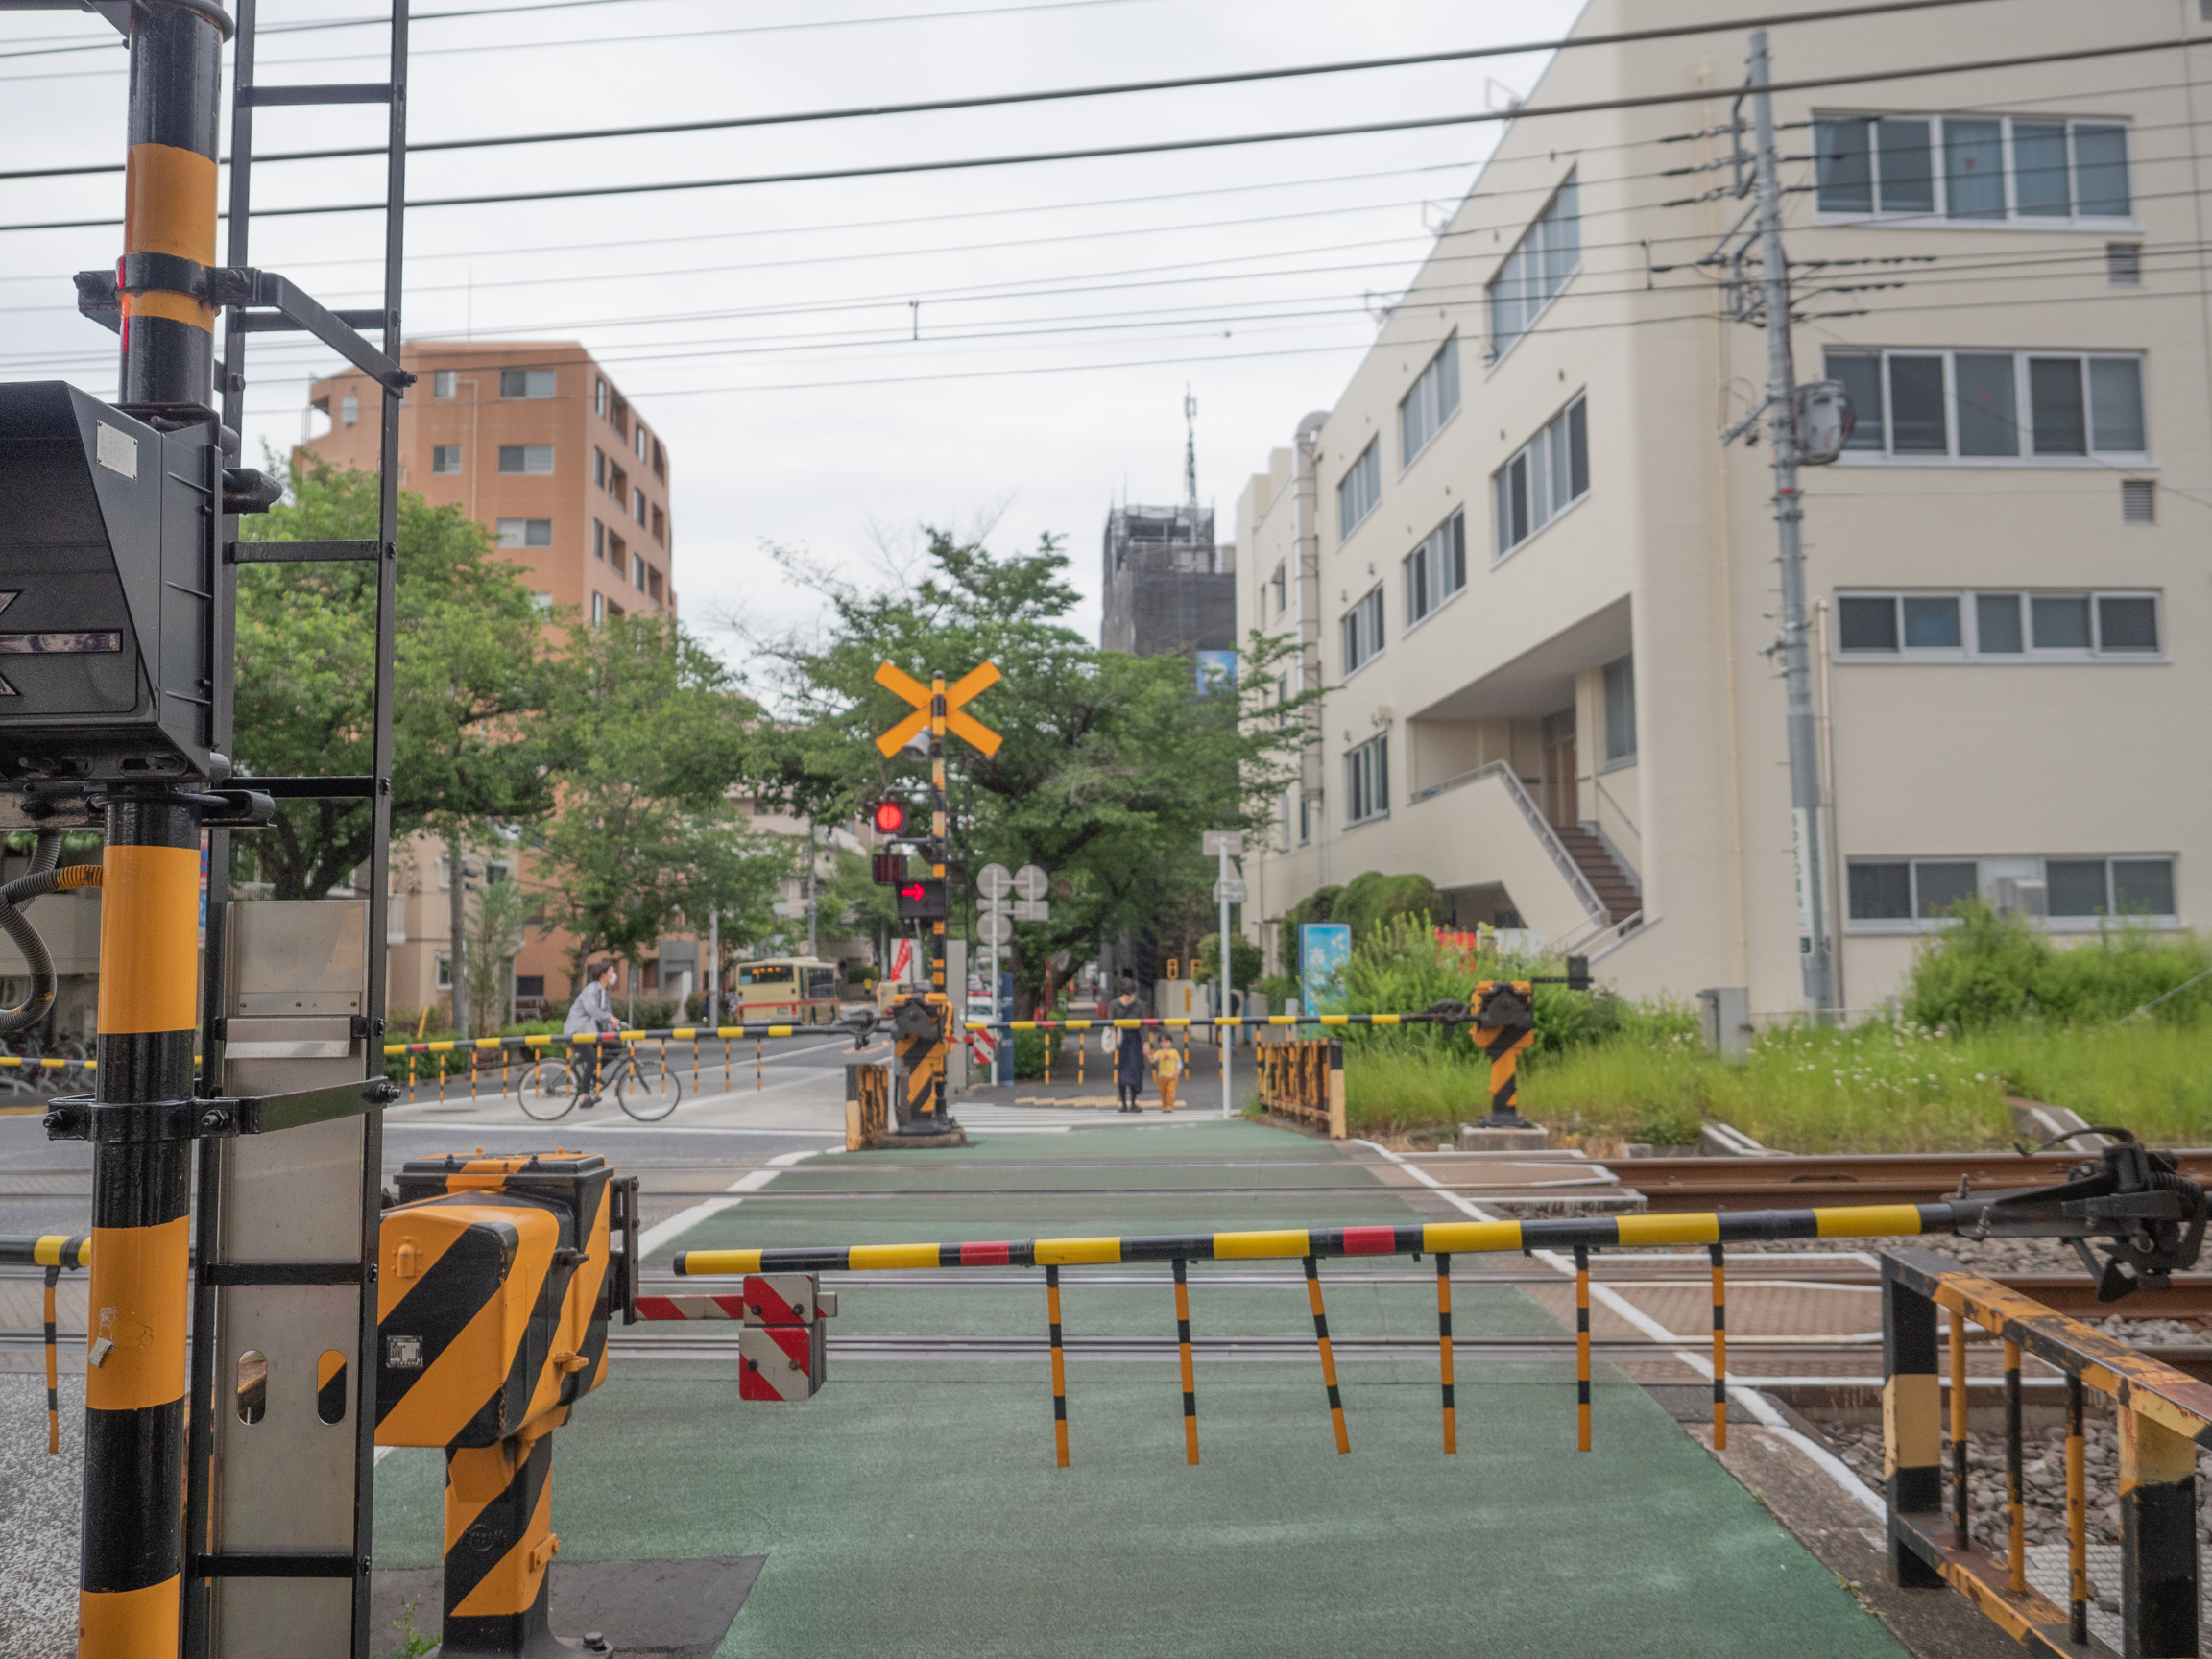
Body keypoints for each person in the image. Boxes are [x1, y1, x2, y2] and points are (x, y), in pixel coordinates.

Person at [563, 962, 622, 1107]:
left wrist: (614, 1028)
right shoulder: (592, 989)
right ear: (603, 974)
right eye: (611, 972)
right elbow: (593, 1010)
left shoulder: (603, 992)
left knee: (617, 1047)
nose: (613, 975)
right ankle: (584, 1097)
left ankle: (594, 1072)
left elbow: (606, 1014)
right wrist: (610, 1018)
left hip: (591, 1032)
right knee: (591, 1061)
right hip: (579, 1030)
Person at [1113, 972, 1146, 1112]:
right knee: (1122, 1072)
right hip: (1120, 1039)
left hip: (1135, 1039)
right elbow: (1110, 1023)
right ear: (1122, 993)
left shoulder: (1140, 1005)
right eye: (1128, 994)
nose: (1131, 997)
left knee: (1135, 1070)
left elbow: (1144, 1025)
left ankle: (1133, 1103)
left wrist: (1146, 1042)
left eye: (1132, 994)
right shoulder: (1115, 1004)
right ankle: (1123, 1104)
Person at [1149, 1034, 1182, 1114]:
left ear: (1171, 1042)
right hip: (1161, 1077)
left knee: (1170, 1091)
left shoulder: (1174, 1052)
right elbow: (1153, 1059)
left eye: (1167, 1041)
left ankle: (1169, 1105)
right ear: (1160, 1043)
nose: (1165, 1043)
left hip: (1172, 1077)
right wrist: (1149, 1056)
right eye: (1162, 1041)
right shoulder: (1158, 1052)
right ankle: (1164, 1105)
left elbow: (1179, 1062)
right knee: (1163, 1092)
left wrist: (1177, 1070)